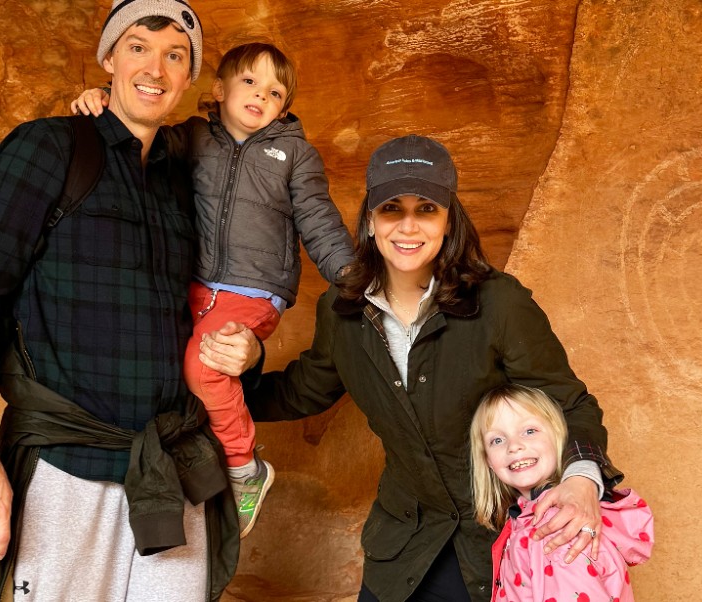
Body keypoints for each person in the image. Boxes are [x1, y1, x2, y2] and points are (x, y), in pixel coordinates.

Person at [0, 2, 260, 600]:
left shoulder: (190, 174)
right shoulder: (49, 149)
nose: (154, 68)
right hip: (65, 472)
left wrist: (250, 347)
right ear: (108, 58)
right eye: (137, 48)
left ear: (189, 79)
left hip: (171, 471)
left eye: (174, 55)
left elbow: (223, 293)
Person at [201, 134, 624, 601]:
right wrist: (223, 381)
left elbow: (570, 403)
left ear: (449, 220)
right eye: (391, 209)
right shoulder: (341, 311)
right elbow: (304, 390)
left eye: (426, 209)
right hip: (403, 545)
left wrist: (583, 481)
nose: (408, 227)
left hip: (506, 545)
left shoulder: (499, 302)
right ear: (369, 219)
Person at [72, 41, 355, 537]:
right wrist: (102, 98)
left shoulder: (293, 154)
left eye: (274, 92)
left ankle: (245, 469)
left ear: (283, 108)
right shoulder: (193, 138)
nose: (260, 96)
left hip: (253, 290)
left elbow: (318, 219)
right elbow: (140, 134)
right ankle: (175, 482)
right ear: (220, 89)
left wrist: (353, 279)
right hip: (194, 284)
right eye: (249, 82)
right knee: (157, 363)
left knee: (204, 366)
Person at [470, 384, 653, 602]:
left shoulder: (557, 529)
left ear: (559, 439)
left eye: (529, 431)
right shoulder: (530, 519)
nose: (514, 446)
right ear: (488, 461)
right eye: (497, 440)